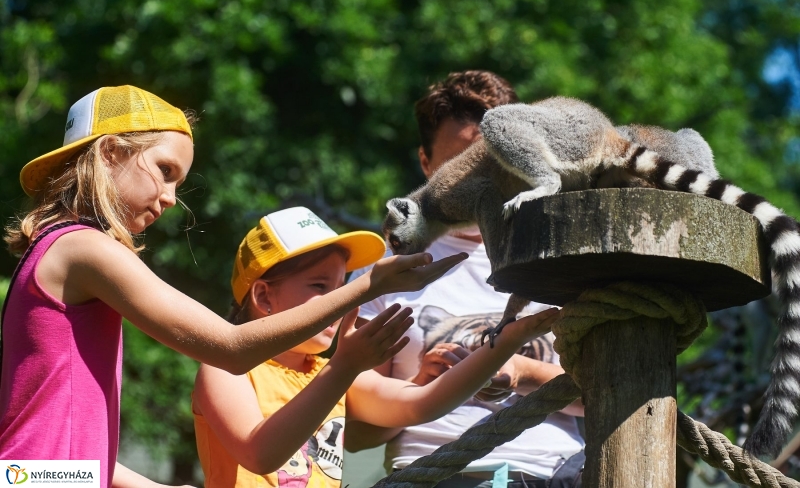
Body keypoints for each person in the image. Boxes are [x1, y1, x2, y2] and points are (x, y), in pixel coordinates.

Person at [0, 86, 466, 488]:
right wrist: (367, 287)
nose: (170, 198)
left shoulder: (58, 250)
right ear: (110, 152)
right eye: (164, 170)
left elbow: (41, 460)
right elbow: (230, 348)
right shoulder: (84, 248)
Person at [191, 206, 559, 488]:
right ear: (263, 296)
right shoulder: (227, 371)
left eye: (340, 287)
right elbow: (260, 454)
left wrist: (509, 340)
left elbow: (424, 403)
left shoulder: (325, 372)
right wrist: (344, 366)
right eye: (320, 287)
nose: (337, 301)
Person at [346, 71, 585, 488]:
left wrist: (520, 371)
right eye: (461, 162)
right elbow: (353, 432)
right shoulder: (383, 268)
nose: (481, 177)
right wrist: (422, 386)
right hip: (428, 475)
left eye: (495, 159)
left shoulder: (566, 255)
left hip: (553, 473)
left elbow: (615, 388)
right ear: (425, 163)